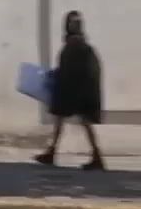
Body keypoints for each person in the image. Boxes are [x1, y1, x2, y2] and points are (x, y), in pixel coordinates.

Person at [35, 10, 104, 170]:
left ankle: (96, 156)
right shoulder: (79, 44)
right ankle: (53, 152)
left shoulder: (75, 44)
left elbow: (72, 70)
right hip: (77, 90)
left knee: (78, 122)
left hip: (76, 91)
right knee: (67, 121)